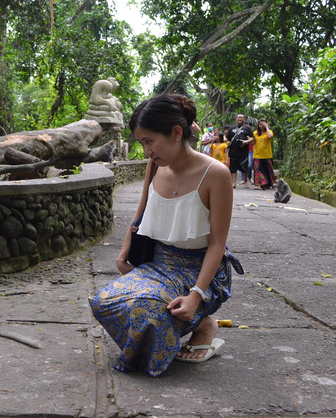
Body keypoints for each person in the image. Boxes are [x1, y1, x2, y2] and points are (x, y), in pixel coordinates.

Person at [88, 94, 243, 377]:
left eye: (149, 141)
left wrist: (196, 295)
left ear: (176, 133)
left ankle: (203, 324)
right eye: (141, 143)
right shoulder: (155, 165)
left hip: (198, 270)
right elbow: (141, 212)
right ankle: (174, 330)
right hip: (159, 263)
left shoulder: (216, 174)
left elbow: (218, 243)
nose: (146, 150)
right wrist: (125, 253)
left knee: (149, 313)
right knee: (104, 302)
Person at [226, 113, 254, 188]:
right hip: (233, 151)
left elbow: (252, 138)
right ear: (236, 119)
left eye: (241, 117)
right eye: (238, 117)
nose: (240, 119)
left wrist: (246, 142)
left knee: (244, 167)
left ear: (244, 119)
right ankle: (233, 183)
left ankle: (245, 182)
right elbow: (227, 138)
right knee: (233, 168)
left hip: (243, 151)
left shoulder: (247, 128)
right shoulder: (232, 128)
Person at [251, 118, 276, 190]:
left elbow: (270, 136)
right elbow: (253, 143)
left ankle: (271, 183)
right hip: (257, 155)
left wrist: (267, 127)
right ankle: (257, 184)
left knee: (269, 170)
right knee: (257, 170)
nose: (261, 126)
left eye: (263, 125)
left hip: (267, 155)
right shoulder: (255, 133)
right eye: (260, 124)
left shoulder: (269, 131)